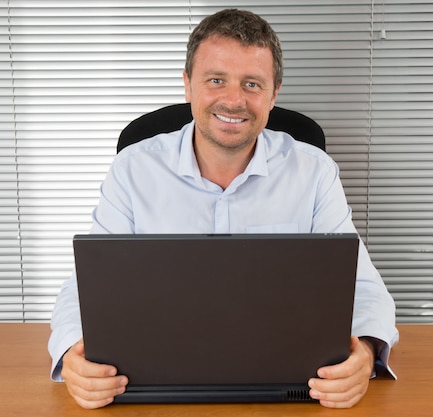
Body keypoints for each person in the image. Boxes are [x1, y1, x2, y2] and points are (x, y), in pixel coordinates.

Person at [48, 8, 399, 410]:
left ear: (274, 94)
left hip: (287, 384)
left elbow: (363, 286)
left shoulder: (314, 172)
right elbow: (86, 285)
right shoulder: (133, 169)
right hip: (154, 383)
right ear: (187, 86)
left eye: (252, 84)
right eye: (216, 80)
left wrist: (366, 353)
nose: (234, 100)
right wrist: (73, 355)